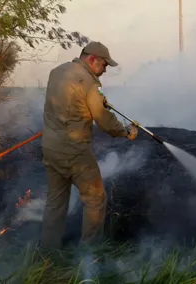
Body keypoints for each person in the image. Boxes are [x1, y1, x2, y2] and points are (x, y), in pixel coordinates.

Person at [40, 41, 138, 250]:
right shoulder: (90, 84)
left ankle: (47, 255)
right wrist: (125, 131)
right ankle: (90, 254)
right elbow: (103, 120)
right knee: (95, 198)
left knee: (55, 202)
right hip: (73, 150)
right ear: (93, 60)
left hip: (49, 146)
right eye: (104, 66)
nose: (104, 71)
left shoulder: (57, 72)